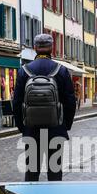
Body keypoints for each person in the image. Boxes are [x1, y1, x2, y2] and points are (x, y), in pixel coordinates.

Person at [13, 34, 76, 182]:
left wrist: (22, 127)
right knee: (55, 172)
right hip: (56, 129)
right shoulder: (61, 70)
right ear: (51, 48)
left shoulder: (24, 71)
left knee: (32, 171)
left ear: (35, 48)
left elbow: (16, 102)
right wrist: (65, 125)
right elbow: (70, 101)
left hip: (32, 129)